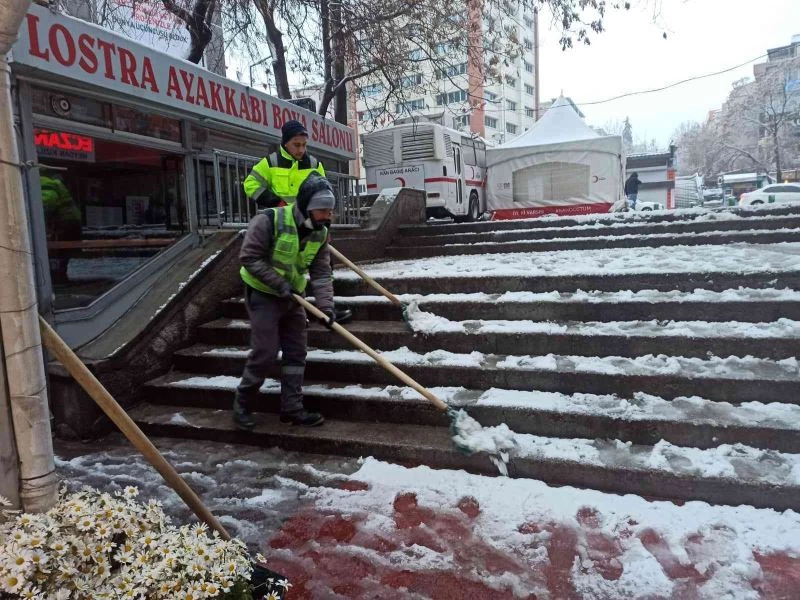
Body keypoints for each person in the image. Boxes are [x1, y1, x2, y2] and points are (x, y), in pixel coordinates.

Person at [233, 172, 338, 430]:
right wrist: (279, 284)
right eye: (323, 210)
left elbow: (322, 272)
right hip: (263, 294)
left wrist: (325, 307)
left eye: (330, 210)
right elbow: (249, 257)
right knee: (266, 352)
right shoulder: (269, 220)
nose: (328, 216)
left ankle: (292, 408)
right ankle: (242, 404)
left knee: (296, 353)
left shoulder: (319, 233)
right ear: (308, 208)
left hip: (294, 299)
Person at [243, 120, 352, 323]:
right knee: (286, 266)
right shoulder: (270, 162)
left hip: (310, 224)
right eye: (296, 144)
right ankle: (296, 308)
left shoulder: (313, 164)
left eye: (304, 144)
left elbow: (323, 189)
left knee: (323, 265)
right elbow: (250, 184)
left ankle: (326, 307)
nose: (301, 149)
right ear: (285, 143)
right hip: (280, 225)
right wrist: (275, 201)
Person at [40, 169, 81, 284]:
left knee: (58, 251)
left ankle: (57, 277)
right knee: (62, 252)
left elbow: (47, 202)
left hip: (64, 221)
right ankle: (59, 275)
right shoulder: (53, 182)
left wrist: (39, 220)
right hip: (69, 220)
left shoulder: (44, 182)